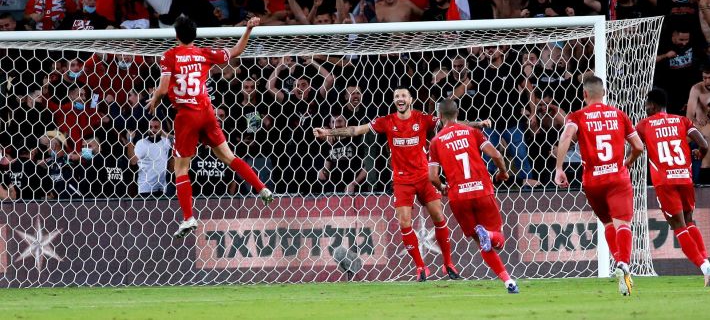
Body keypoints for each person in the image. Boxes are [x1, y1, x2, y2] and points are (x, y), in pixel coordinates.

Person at [313, 87, 488, 281]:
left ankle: (448, 264)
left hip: (424, 177)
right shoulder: (386, 121)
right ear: (394, 101)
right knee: (404, 223)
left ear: (410, 99)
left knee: (438, 217)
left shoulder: (422, 119)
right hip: (402, 180)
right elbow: (356, 129)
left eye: (403, 95)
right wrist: (328, 132)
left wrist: (477, 124)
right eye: (397, 96)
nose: (400, 99)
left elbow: (451, 124)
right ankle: (421, 267)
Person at [145, 15, 273, 239]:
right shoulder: (204, 53)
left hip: (186, 116)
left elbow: (163, 88)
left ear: (176, 36)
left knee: (181, 169)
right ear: (195, 35)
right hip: (207, 113)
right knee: (229, 157)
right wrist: (248, 30)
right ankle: (262, 187)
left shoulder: (169, 56)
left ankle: (188, 218)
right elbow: (236, 51)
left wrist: (154, 98)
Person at [554, 75, 644, 296]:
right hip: (617, 178)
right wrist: (628, 162)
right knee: (623, 224)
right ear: (603, 93)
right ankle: (623, 264)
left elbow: (566, 136)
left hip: (593, 182)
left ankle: (620, 267)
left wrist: (559, 168)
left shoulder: (577, 116)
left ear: (584, 94)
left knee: (608, 223)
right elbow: (639, 146)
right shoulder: (619, 115)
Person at [428, 99, 519, 294]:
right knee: (498, 239)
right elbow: (496, 155)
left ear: (440, 116)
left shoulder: (436, 141)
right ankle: (490, 235)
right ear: (457, 114)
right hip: (481, 190)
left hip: (458, 198)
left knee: (481, 243)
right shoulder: (472, 132)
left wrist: (442, 187)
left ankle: (508, 281)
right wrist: (503, 172)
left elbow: (432, 176)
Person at [635, 88, 710, 287]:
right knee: (689, 221)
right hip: (684, 178)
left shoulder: (645, 125)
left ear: (652, 105)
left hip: (665, 182)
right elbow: (704, 144)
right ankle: (707, 266)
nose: (645, 108)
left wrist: (628, 162)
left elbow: (635, 146)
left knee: (679, 227)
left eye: (646, 105)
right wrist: (700, 154)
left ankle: (706, 269)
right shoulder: (682, 121)